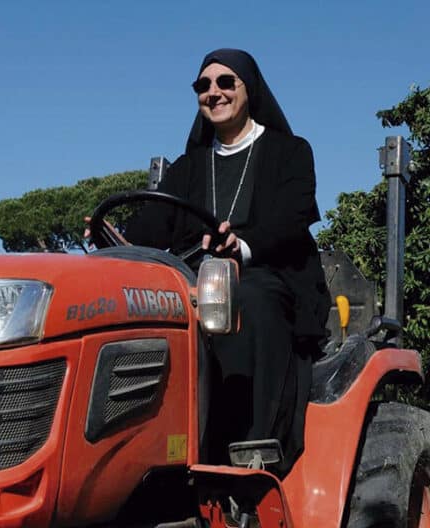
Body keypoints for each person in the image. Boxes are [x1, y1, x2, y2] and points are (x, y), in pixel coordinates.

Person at [122, 49, 331, 474]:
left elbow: (292, 218)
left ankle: (250, 444)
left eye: (225, 82)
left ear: (248, 90)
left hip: (268, 275)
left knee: (243, 300)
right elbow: (152, 225)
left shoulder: (289, 152)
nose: (213, 92)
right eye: (203, 85)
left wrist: (242, 246)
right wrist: (114, 238)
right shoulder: (188, 167)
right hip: (191, 280)